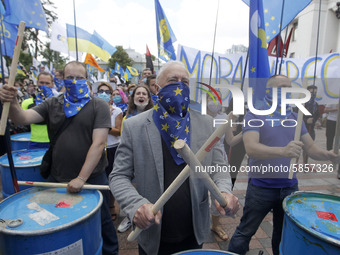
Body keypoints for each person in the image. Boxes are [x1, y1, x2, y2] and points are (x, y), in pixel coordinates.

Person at [110, 61, 239, 255]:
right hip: (153, 232)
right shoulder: (134, 126)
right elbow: (118, 176)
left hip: (194, 231)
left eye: (185, 82)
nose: (179, 86)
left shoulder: (206, 124)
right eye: (172, 80)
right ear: (157, 87)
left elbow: (219, 166)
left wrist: (224, 191)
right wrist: (136, 205)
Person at [0, 61, 119, 255]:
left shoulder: (99, 106)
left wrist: (81, 178)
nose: (74, 81)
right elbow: (22, 118)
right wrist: (12, 102)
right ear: (62, 80)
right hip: (57, 176)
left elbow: (98, 144)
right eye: (69, 78)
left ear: (87, 80)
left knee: (103, 222)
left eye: (79, 78)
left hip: (93, 178)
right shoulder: (53, 103)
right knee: (60, 220)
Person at [228, 75, 340, 255]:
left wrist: (329, 155)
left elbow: (311, 148)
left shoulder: (296, 117)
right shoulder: (255, 114)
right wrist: (283, 151)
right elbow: (251, 148)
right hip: (261, 187)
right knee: (245, 231)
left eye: (289, 87)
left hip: (289, 188)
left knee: (282, 235)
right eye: (281, 88)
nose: (286, 91)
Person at [97, 81, 123, 222]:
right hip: (97, 148)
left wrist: (103, 124)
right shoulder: (91, 109)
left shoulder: (117, 111)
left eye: (107, 92)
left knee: (111, 178)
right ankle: (100, 205)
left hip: (112, 148)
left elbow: (118, 132)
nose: (104, 94)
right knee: (99, 178)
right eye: (101, 91)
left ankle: (112, 206)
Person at [21, 72, 55, 149]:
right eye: (41, 82)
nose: (44, 86)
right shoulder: (27, 103)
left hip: (54, 141)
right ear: (37, 83)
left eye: (47, 83)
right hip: (35, 142)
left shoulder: (59, 102)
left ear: (52, 84)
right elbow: (20, 120)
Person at [302, 85, 320, 168]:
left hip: (311, 130)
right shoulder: (302, 103)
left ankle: (305, 164)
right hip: (301, 130)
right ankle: (295, 164)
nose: (314, 94)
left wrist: (316, 121)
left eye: (315, 93)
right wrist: (306, 120)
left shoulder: (315, 104)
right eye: (312, 92)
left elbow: (317, 115)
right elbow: (296, 116)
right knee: (298, 147)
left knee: (308, 148)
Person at [324, 103, 339, 178]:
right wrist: (336, 109)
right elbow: (325, 110)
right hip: (332, 120)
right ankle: (330, 154)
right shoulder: (332, 99)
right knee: (330, 138)